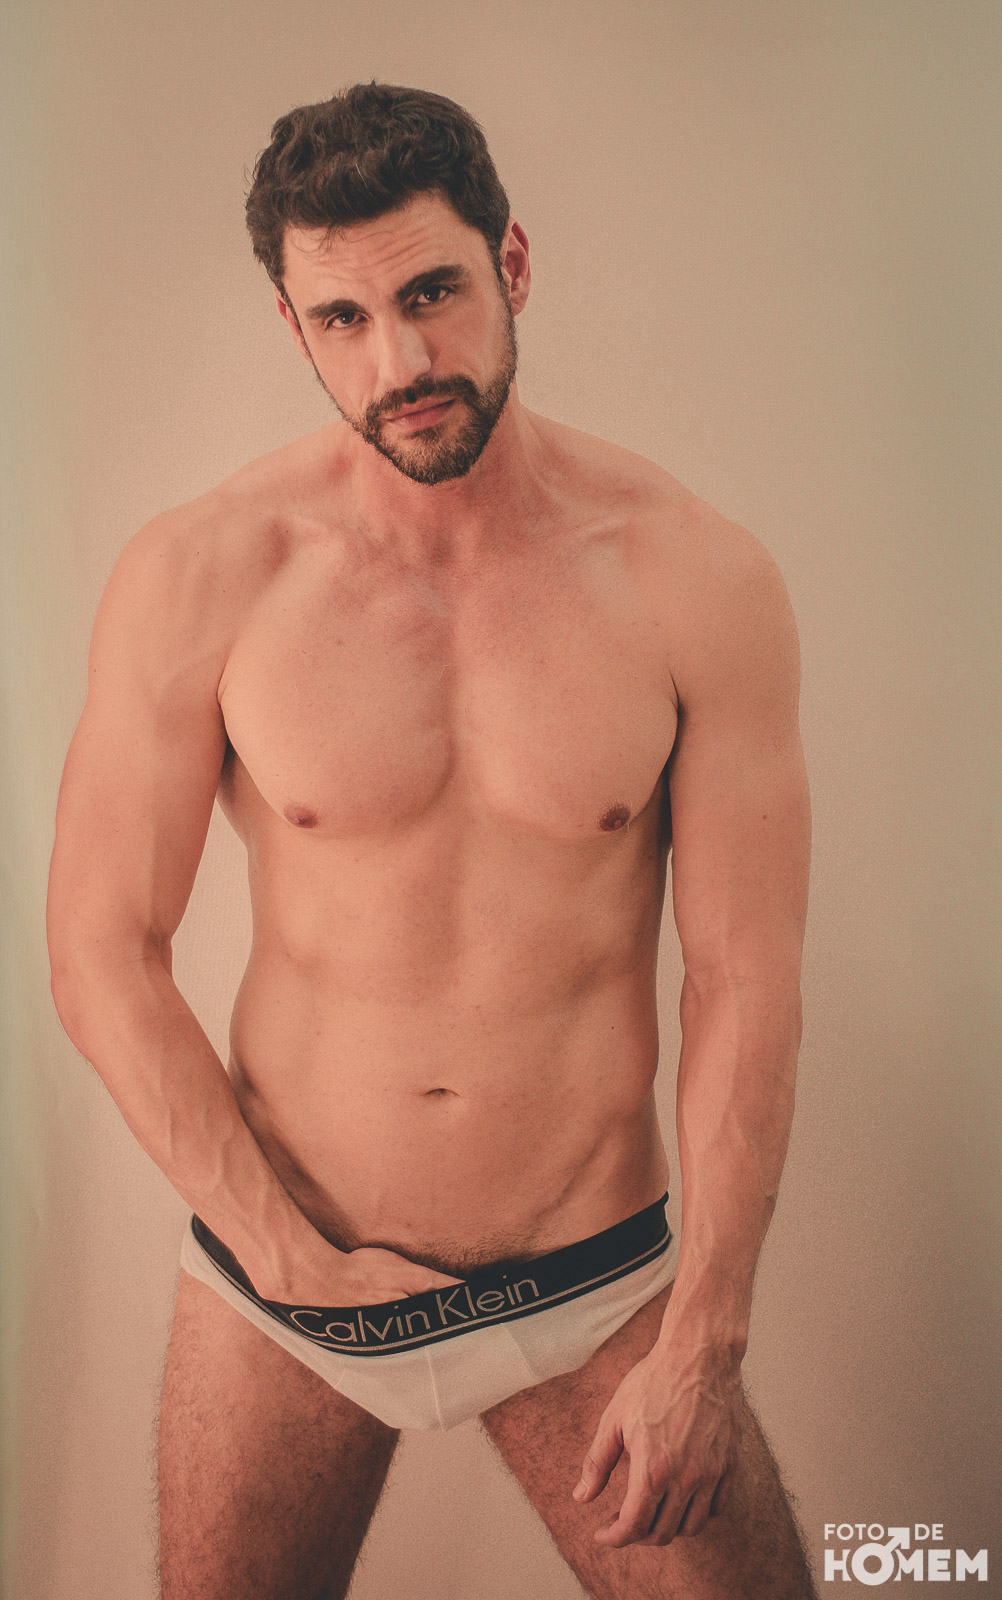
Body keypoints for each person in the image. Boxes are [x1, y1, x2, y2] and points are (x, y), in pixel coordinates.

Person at [47, 81, 817, 1599]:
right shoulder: (205, 574)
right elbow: (100, 948)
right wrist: (280, 1252)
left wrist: (705, 1338)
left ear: (510, 264)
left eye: (431, 294)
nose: (397, 362)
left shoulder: (690, 576)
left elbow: (743, 977)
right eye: (342, 319)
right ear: (293, 325)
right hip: (288, 1274)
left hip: (590, 1278)